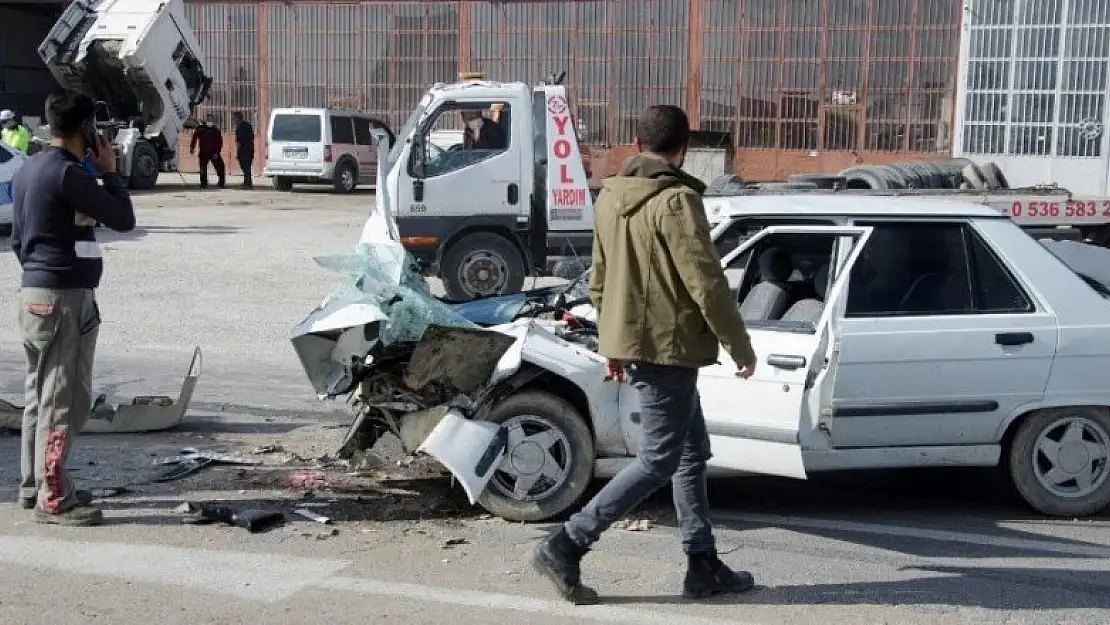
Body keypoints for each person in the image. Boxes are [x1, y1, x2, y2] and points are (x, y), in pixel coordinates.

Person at [531, 105, 759, 604]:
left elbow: (600, 280)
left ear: (637, 146)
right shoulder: (676, 200)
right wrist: (740, 346)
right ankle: (567, 543)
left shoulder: (611, 195)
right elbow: (707, 283)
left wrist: (615, 343)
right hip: (670, 348)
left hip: (640, 345)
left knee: (690, 453)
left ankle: (703, 565)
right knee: (659, 459)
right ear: (683, 151)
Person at [10, 89, 136, 526]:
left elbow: (18, 242)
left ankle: (33, 486)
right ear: (85, 128)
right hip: (64, 299)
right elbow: (123, 218)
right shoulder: (68, 175)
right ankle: (54, 497)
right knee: (64, 400)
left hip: (35, 295)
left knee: (38, 395)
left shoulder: (29, 171)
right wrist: (111, 172)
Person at [190, 114, 225, 189]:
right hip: (203, 152)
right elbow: (194, 138)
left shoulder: (216, 130)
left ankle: (221, 183)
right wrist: (192, 148)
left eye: (211, 120)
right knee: (203, 168)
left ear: (213, 121)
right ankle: (203, 183)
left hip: (214, 153)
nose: (210, 121)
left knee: (220, 167)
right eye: (208, 119)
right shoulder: (201, 128)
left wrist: (217, 152)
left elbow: (220, 142)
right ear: (206, 120)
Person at [232, 111, 254, 189]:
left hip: (243, 150)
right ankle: (247, 182)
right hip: (250, 148)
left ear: (237, 118)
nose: (233, 120)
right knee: (247, 166)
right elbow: (252, 137)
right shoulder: (248, 125)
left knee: (245, 166)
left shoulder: (240, 127)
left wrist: (237, 152)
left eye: (234, 118)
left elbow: (239, 141)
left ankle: (248, 184)